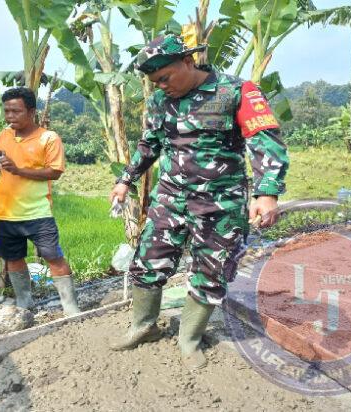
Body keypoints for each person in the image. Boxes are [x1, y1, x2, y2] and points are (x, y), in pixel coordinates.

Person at [109, 35, 289, 370]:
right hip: (170, 199)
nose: (162, 86)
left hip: (220, 205)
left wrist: (267, 192)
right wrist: (125, 180)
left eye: (166, 77)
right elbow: (149, 145)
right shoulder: (159, 102)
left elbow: (264, 140)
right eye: (155, 82)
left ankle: (189, 339)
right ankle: (142, 326)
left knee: (211, 272)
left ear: (188, 62)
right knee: (148, 263)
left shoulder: (236, 91)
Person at [0, 87, 80, 316]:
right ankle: (25, 304)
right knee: (13, 258)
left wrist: (18, 170)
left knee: (53, 257)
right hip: (4, 213)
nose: (10, 117)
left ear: (31, 111)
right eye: (6, 111)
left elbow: (55, 172)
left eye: (16, 111)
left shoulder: (48, 138)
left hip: (38, 213)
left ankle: (70, 307)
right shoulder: (4, 135)